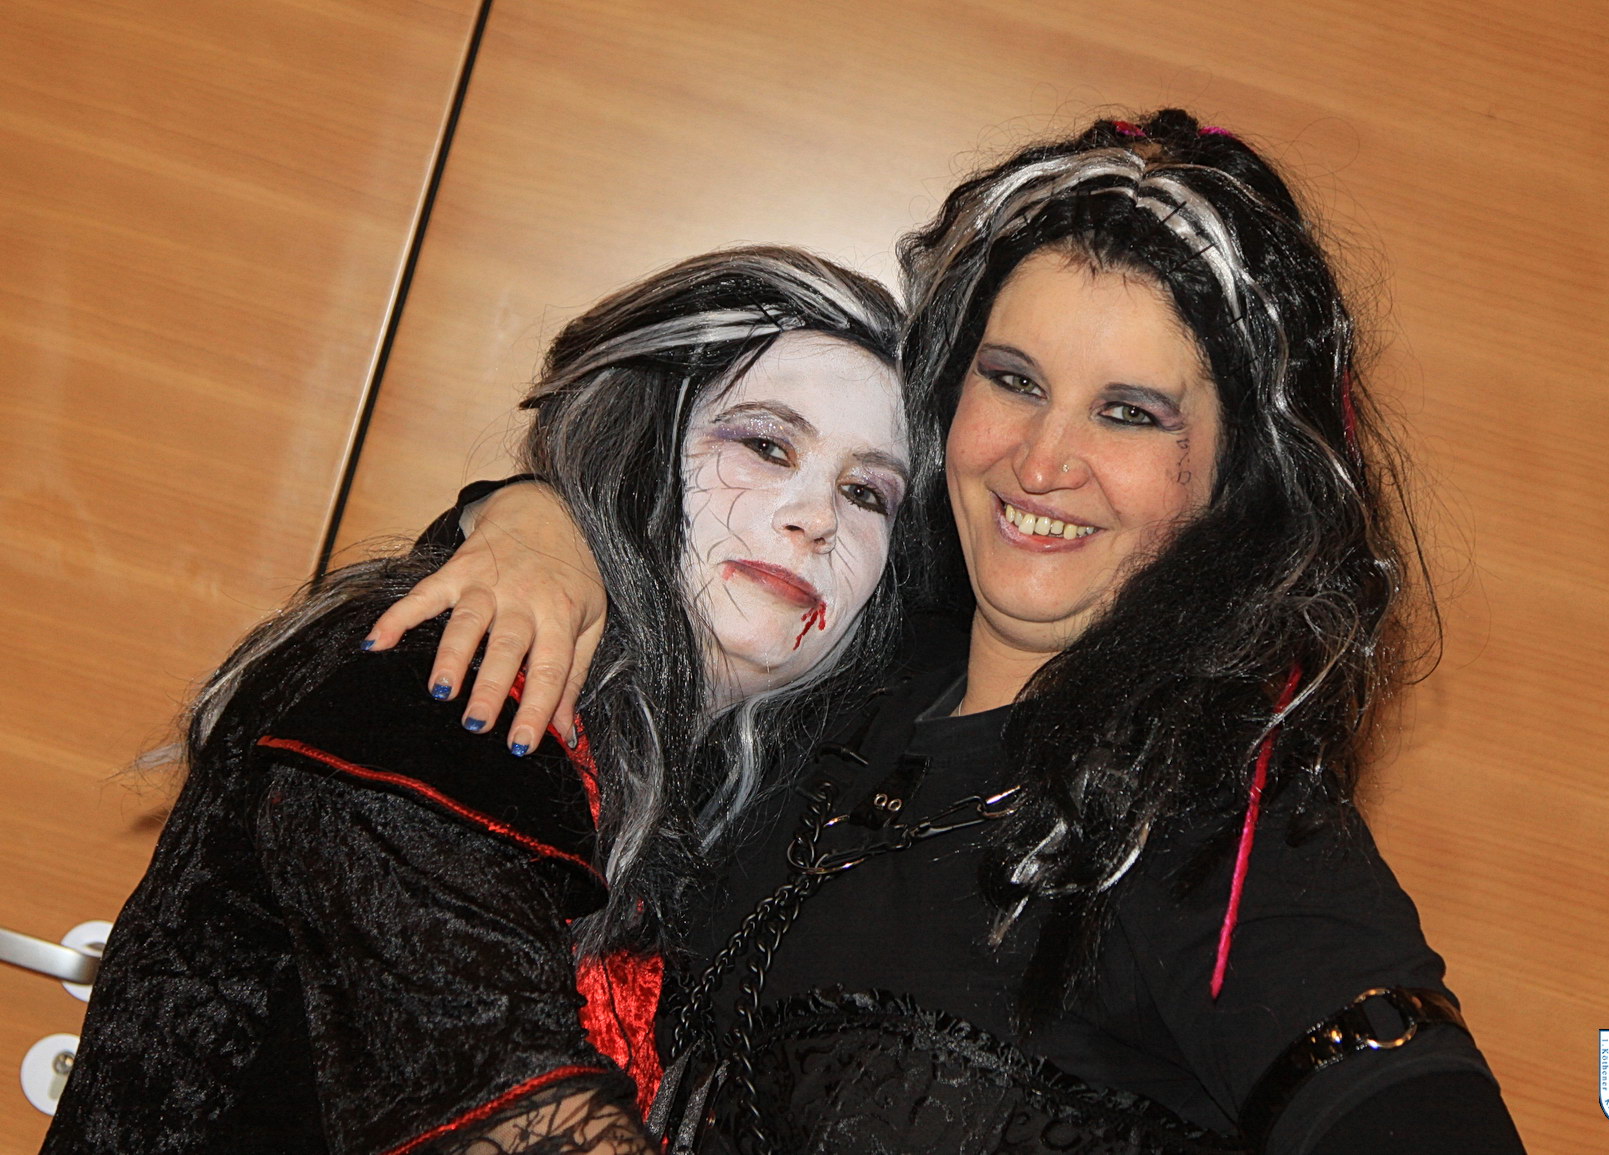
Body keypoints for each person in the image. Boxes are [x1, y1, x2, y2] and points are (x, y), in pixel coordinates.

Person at [389, 112, 1528, 1153]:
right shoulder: (833, 661)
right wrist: (537, 522)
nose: (1041, 460)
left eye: (1128, 413)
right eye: (1015, 381)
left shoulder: (1217, 825)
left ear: (1234, 481)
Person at [42, 247, 913, 1154]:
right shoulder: (458, 673)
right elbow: (510, 1109)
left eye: (866, 493)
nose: (818, 516)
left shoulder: (747, 803)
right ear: (634, 445)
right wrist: (538, 507)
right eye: (765, 445)